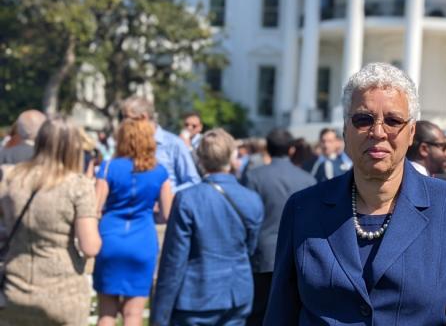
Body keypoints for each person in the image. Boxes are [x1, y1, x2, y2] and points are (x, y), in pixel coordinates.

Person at [264, 62, 446, 324]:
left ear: (411, 132)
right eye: (363, 119)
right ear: (345, 129)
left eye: (393, 121)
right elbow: (280, 313)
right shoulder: (303, 208)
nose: (378, 132)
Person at [152, 129, 264, 326]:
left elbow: (174, 260)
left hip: (196, 295)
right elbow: (249, 248)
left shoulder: (187, 199)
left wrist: (160, 315)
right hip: (236, 293)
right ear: (232, 156)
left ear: (199, 159)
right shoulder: (251, 199)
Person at [0, 116, 102, 325]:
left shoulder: (11, 178)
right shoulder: (78, 185)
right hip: (63, 290)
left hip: (16, 287)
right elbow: (90, 246)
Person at [93, 119, 174, 326]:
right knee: (134, 315)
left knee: (106, 314)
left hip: (110, 239)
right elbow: (167, 214)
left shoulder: (109, 167)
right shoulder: (160, 171)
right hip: (142, 240)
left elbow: (95, 208)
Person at [242, 128, 316, 326]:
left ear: (267, 148)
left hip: (262, 255)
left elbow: (247, 216)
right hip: (297, 254)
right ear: (291, 149)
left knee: (258, 314)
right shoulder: (307, 179)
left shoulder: (254, 177)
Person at [121, 96, 201, 192]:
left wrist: (167, 196)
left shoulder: (174, 144)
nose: (123, 123)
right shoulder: (126, 144)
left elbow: (193, 181)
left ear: (143, 117)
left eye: (127, 118)